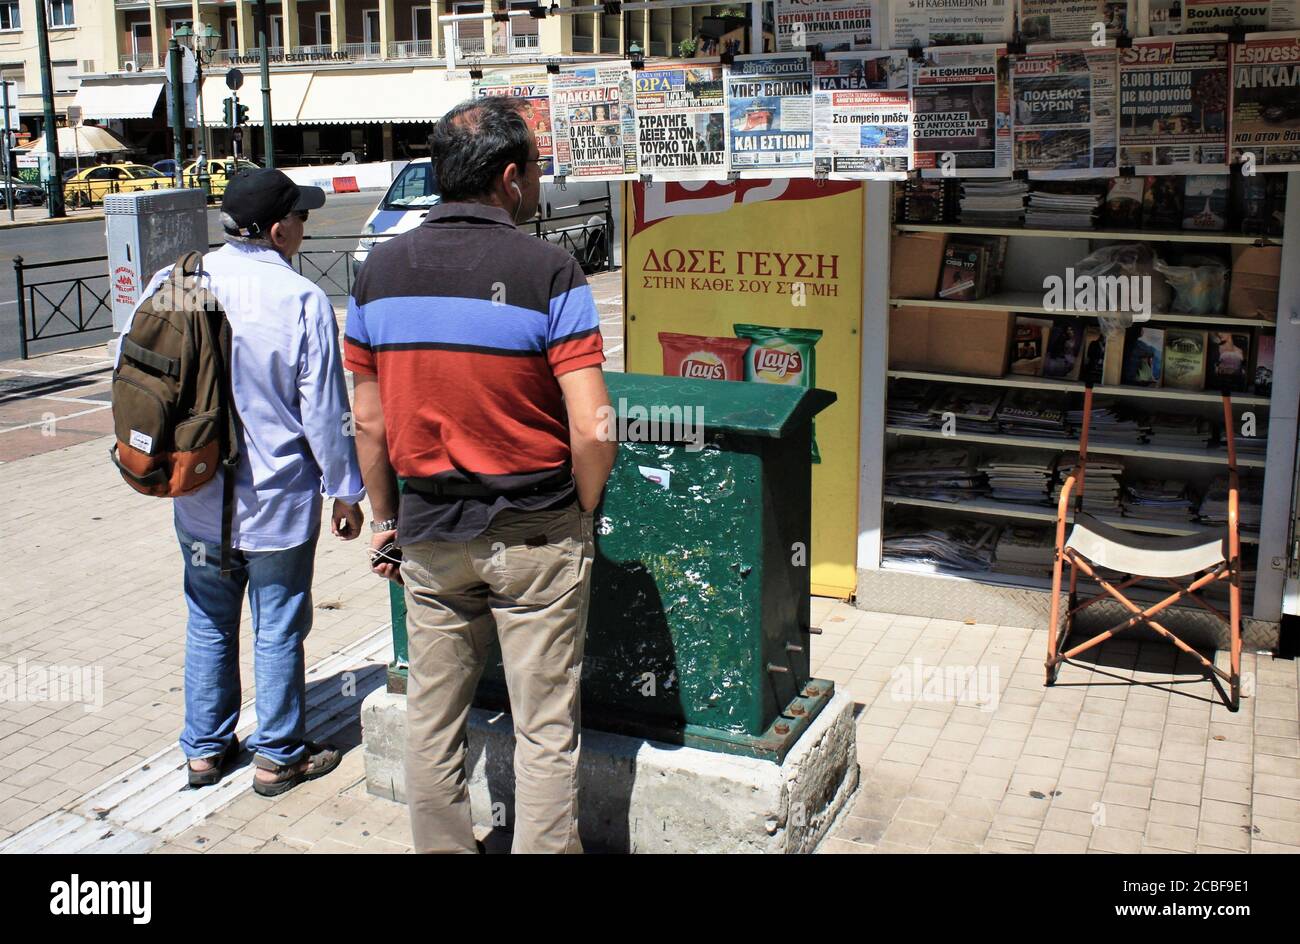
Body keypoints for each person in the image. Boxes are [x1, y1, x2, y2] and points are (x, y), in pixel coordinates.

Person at [345, 96, 617, 854]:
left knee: (431, 720)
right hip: (536, 533)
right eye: (533, 171)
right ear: (508, 177)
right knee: (545, 725)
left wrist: (386, 519)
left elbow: (368, 422)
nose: (536, 185)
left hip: (430, 534)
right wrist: (582, 510)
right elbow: (594, 424)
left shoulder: (378, 273)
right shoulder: (550, 270)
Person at [129, 168, 366, 796]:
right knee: (279, 624)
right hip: (277, 503)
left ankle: (204, 752)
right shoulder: (302, 300)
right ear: (278, 227)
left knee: (208, 620)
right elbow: (323, 412)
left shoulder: (175, 281)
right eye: (302, 217)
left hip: (198, 496)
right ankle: (276, 756)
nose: (306, 228)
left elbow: (134, 369)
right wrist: (346, 490)